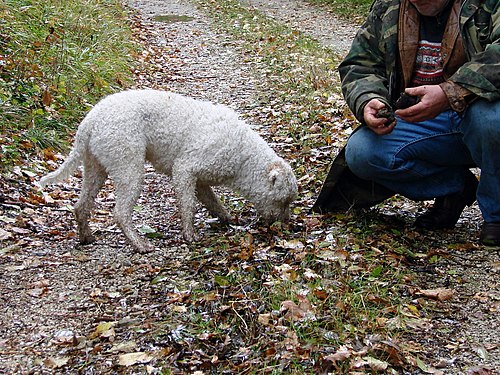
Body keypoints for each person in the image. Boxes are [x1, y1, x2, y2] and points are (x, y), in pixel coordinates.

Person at [314, 0, 500, 245]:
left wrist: (449, 93)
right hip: (425, 124)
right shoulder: (389, 7)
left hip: (480, 113)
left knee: (491, 120)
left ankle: (496, 216)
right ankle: (455, 187)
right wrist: (368, 99)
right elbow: (360, 65)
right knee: (362, 153)